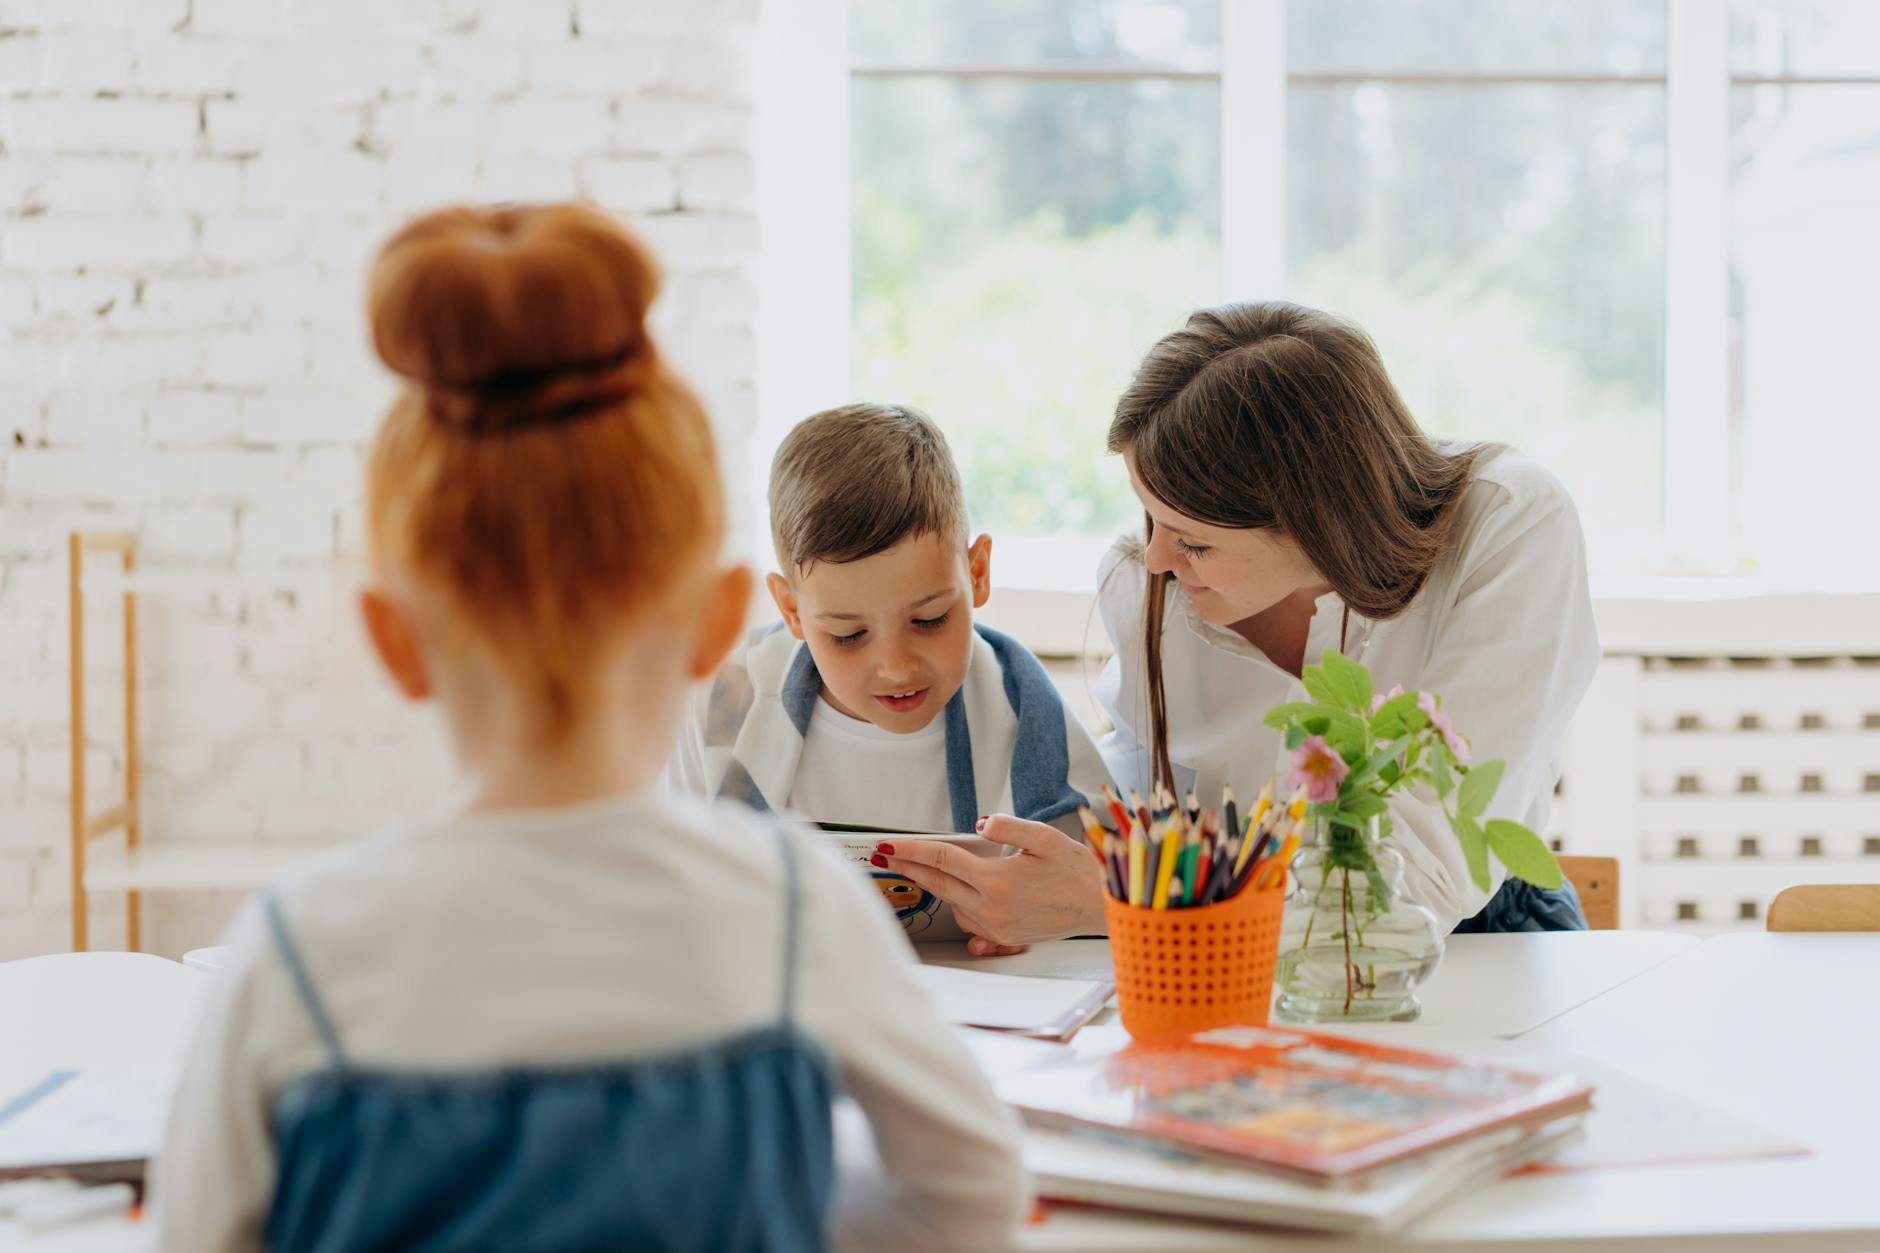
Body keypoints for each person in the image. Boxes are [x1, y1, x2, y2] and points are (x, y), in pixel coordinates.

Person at [152, 204, 1029, 1252]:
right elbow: (970, 1196)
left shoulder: (291, 955)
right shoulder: (797, 913)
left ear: (394, 640)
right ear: (719, 621)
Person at [876, 301, 1594, 944]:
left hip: (1478, 940)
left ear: (1319, 520)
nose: (1156, 557)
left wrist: (1114, 900)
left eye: (1194, 539)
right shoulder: (1147, 582)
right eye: (1149, 514)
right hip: (1221, 943)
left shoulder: (1509, 524)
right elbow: (1148, 797)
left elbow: (1413, 884)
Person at [667, 401, 1112, 850]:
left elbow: (1097, 888)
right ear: (791, 609)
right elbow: (678, 878)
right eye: (848, 635)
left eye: (929, 619)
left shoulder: (1027, 713)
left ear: (977, 574)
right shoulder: (722, 704)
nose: (897, 668)